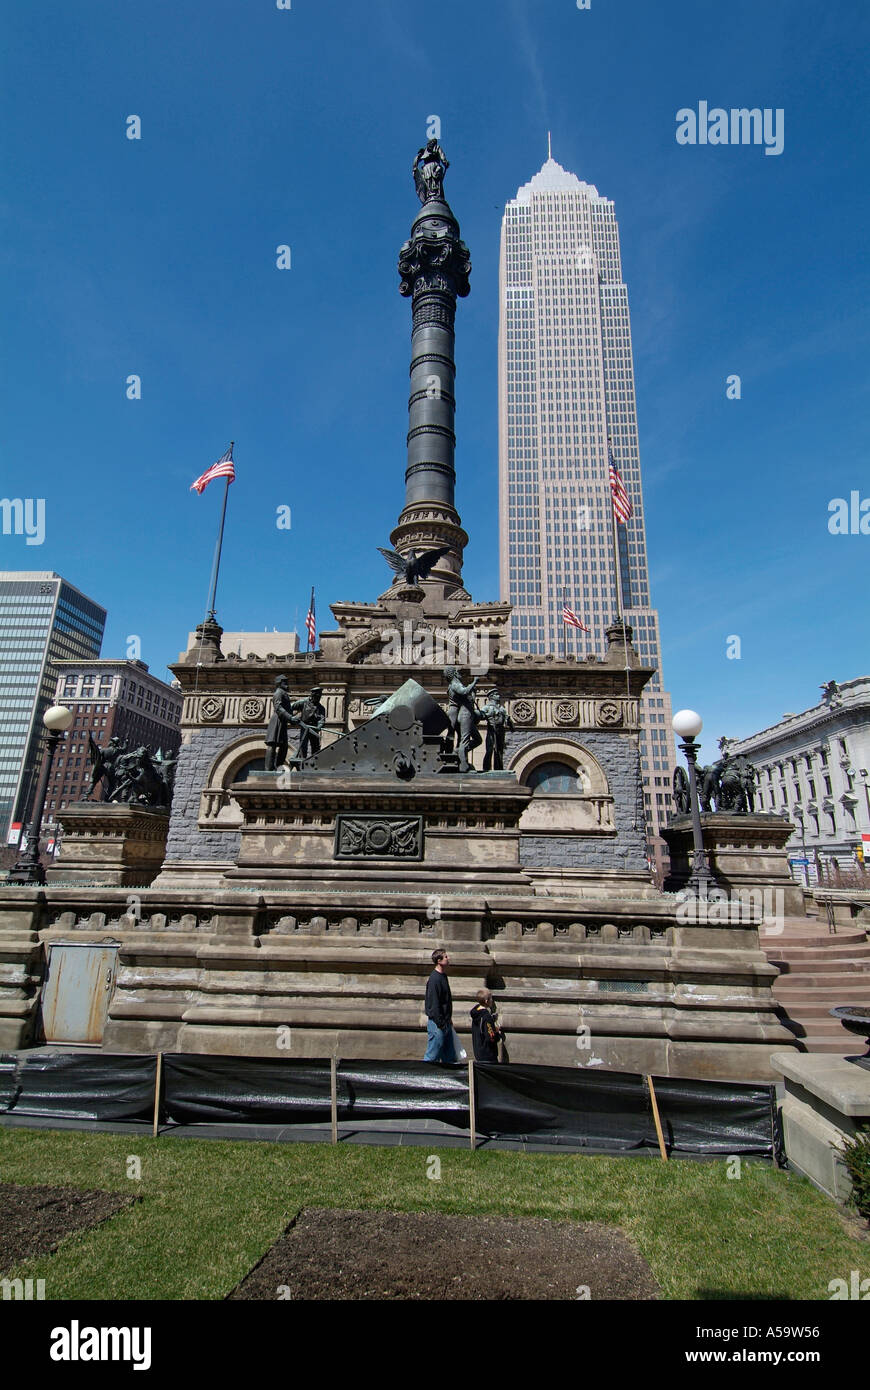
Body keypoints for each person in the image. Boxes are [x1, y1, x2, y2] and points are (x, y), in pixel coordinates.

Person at [424, 948, 456, 1064]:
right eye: (446, 957)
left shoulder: (443, 977)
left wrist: (448, 1019)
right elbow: (434, 1003)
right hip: (438, 1024)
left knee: (450, 1056)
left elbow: (446, 1000)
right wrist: (440, 1023)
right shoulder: (434, 979)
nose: (448, 959)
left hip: (445, 1022)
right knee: (432, 1055)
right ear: (439, 960)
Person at [469, 989, 505, 1063]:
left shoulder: (476, 1013)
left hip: (478, 1051)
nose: (492, 1000)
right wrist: (497, 1034)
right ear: (486, 1001)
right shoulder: (486, 1016)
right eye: (491, 998)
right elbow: (490, 1037)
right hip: (488, 1054)